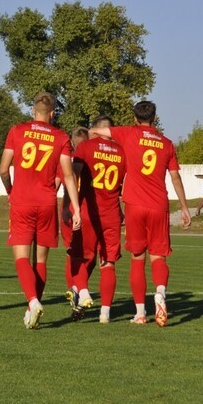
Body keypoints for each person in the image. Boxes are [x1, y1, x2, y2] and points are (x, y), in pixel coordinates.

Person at [89, 100, 191, 327]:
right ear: (155, 118)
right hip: (159, 205)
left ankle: (140, 313)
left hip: (135, 204)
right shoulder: (167, 143)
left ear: (135, 118)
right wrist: (184, 207)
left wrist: (92, 135)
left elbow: (98, 131)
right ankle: (160, 292)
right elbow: (175, 177)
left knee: (137, 258)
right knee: (158, 256)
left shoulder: (128, 133)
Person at [0, 92, 81, 330]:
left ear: (33, 111)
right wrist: (76, 209)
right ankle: (31, 310)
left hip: (22, 201)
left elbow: (3, 169)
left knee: (21, 257)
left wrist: (10, 190)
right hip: (46, 203)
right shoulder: (60, 136)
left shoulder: (17, 131)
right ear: (53, 113)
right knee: (41, 260)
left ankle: (33, 302)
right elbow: (68, 175)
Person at [67, 115, 126, 324]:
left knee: (80, 257)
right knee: (108, 263)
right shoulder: (122, 151)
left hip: (89, 211)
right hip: (111, 213)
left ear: (96, 129)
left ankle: (82, 291)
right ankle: (105, 313)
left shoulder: (86, 147)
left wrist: (72, 204)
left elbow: (73, 175)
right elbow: (125, 185)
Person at [59, 126, 90, 306]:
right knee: (83, 253)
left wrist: (65, 207)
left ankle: (75, 288)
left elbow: (59, 184)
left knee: (72, 252)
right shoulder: (88, 159)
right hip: (83, 211)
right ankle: (77, 288)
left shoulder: (68, 160)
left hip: (73, 210)